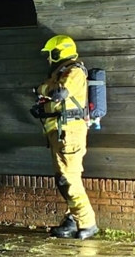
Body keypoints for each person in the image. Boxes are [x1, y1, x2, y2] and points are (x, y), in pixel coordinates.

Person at [31, 34, 99, 240]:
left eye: (50, 54)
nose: (48, 58)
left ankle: (87, 223)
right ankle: (72, 220)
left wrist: (41, 89)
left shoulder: (74, 72)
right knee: (65, 178)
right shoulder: (60, 73)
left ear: (59, 52)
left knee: (67, 179)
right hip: (60, 133)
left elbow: (60, 93)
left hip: (69, 133)